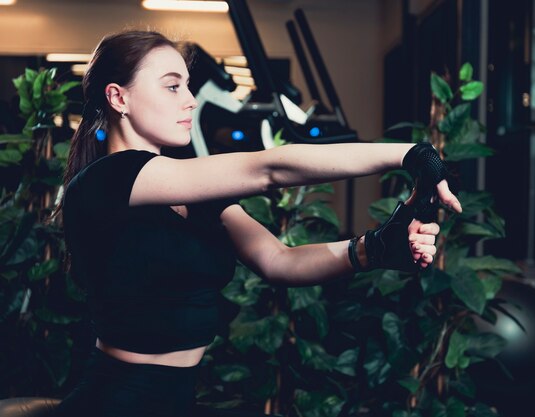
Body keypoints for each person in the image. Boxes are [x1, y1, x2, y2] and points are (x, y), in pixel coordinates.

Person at [52, 30, 462, 417]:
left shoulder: (194, 192)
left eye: (189, 87)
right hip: (115, 403)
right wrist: (409, 154)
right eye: (173, 86)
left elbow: (279, 261)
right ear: (118, 97)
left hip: (177, 400)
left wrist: (371, 248)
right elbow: (269, 169)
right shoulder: (104, 182)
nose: (191, 101)